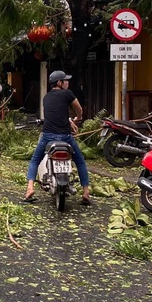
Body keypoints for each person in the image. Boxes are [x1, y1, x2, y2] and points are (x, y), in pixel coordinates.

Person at [24, 70, 91, 205]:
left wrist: (69, 120)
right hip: (65, 137)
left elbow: (54, 112)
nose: (67, 82)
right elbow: (79, 108)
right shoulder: (68, 94)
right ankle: (86, 192)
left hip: (47, 136)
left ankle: (30, 188)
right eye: (65, 80)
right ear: (59, 83)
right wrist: (78, 118)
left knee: (35, 160)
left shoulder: (46, 97)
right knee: (80, 161)